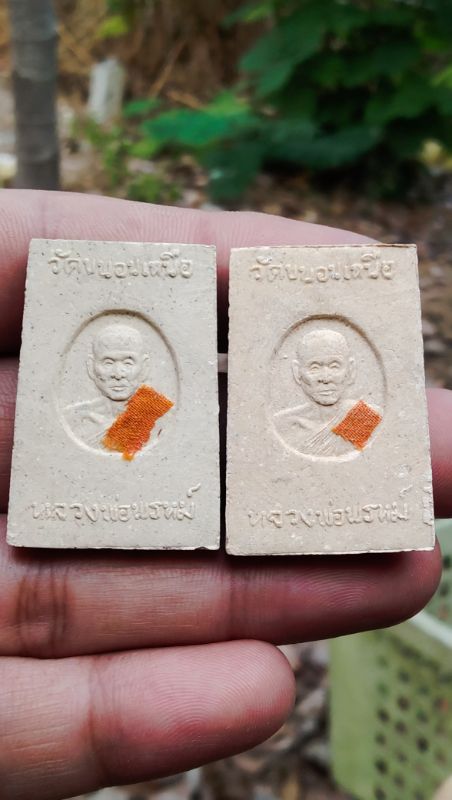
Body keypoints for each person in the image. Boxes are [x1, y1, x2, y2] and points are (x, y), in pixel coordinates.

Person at [0, 190, 448, 800]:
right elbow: (119, 447)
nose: (119, 374)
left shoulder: (358, 420)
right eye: (108, 363)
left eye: (333, 369)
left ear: (347, 372)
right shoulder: (99, 417)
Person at [64, 323, 171, 451]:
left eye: (128, 363)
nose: (118, 374)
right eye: (108, 363)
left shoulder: (161, 419)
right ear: (91, 367)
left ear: (144, 368)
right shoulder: (75, 419)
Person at [274, 329, 381, 456]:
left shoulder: (366, 418)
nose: (326, 378)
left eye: (334, 366)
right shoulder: (283, 425)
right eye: (314, 367)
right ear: (297, 372)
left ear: (351, 370)